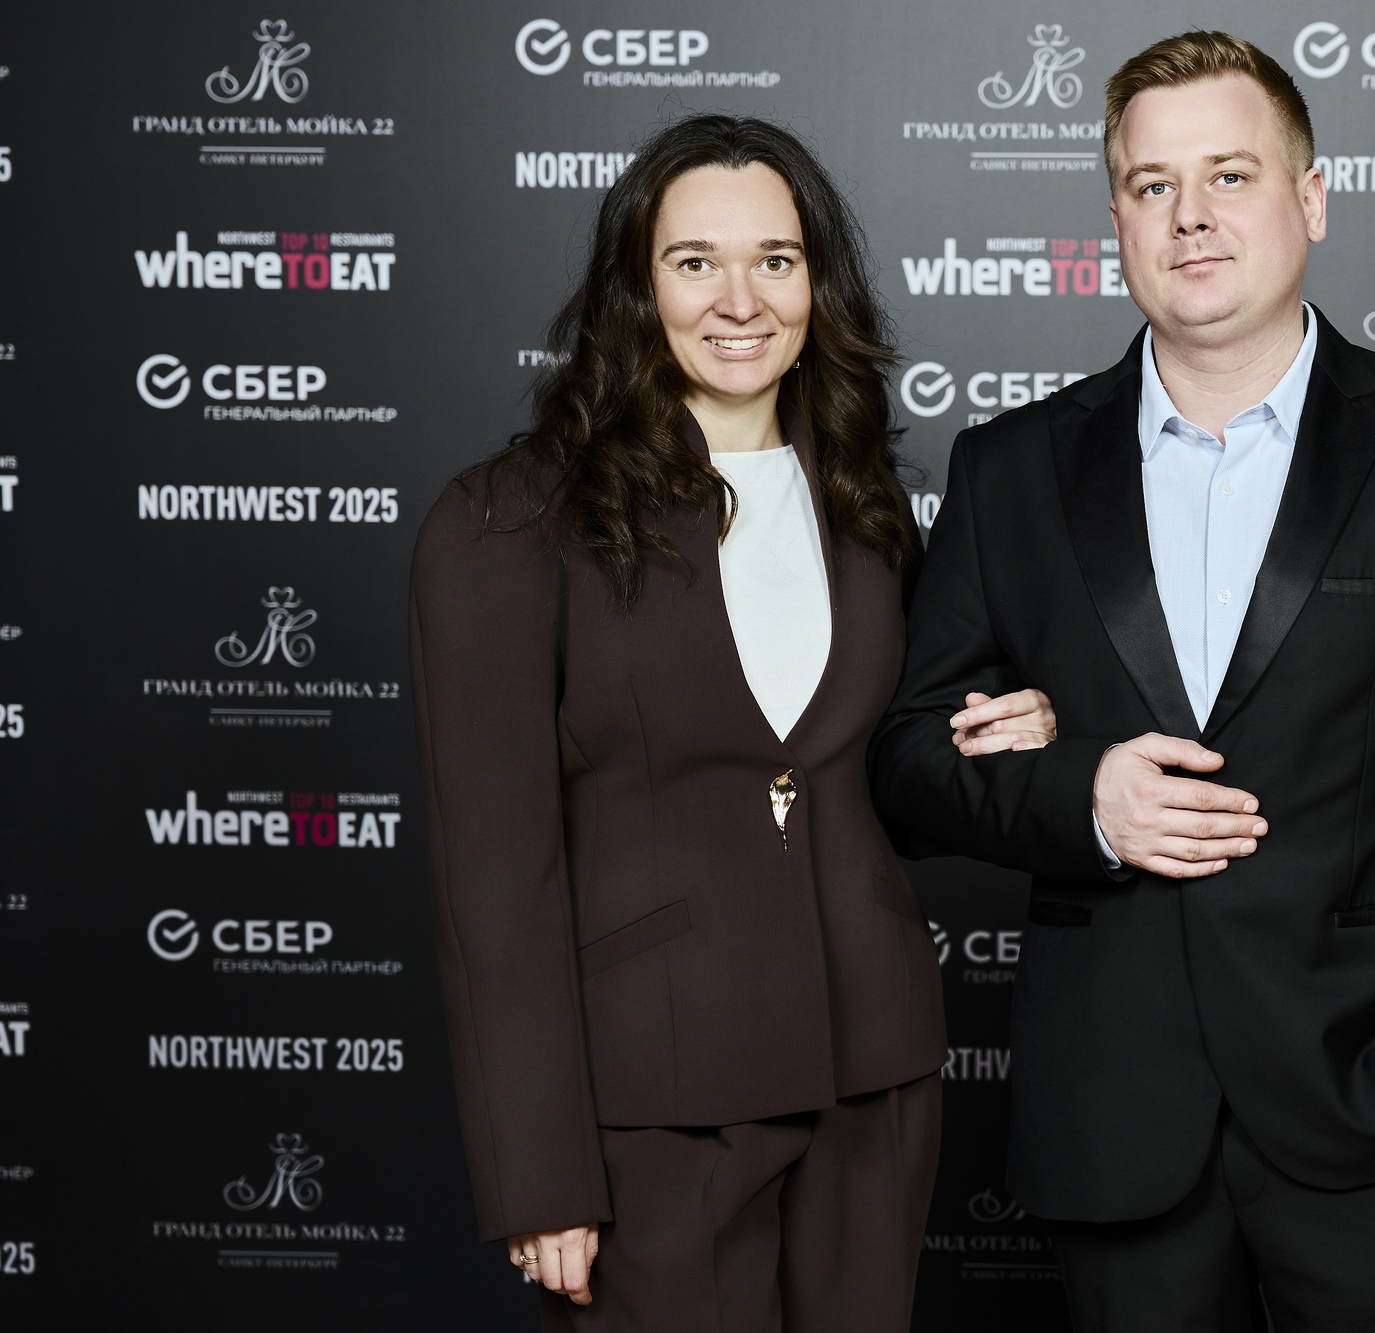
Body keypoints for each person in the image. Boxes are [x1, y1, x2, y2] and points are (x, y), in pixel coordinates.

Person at [870, 31, 1375, 1333]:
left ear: (1309, 199)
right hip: (1115, 1126)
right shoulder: (1008, 469)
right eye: (1151, 185)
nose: (1190, 215)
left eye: (1228, 174)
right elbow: (909, 765)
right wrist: (1083, 799)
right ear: (1115, 221)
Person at [408, 114, 1055, 1331]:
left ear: (819, 285)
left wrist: (994, 736)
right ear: (635, 286)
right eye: (695, 261)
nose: (740, 300)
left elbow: (881, 778)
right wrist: (539, 1171)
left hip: (873, 1074)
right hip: (649, 1105)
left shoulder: (864, 499)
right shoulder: (507, 520)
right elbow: (493, 881)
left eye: (777, 260)